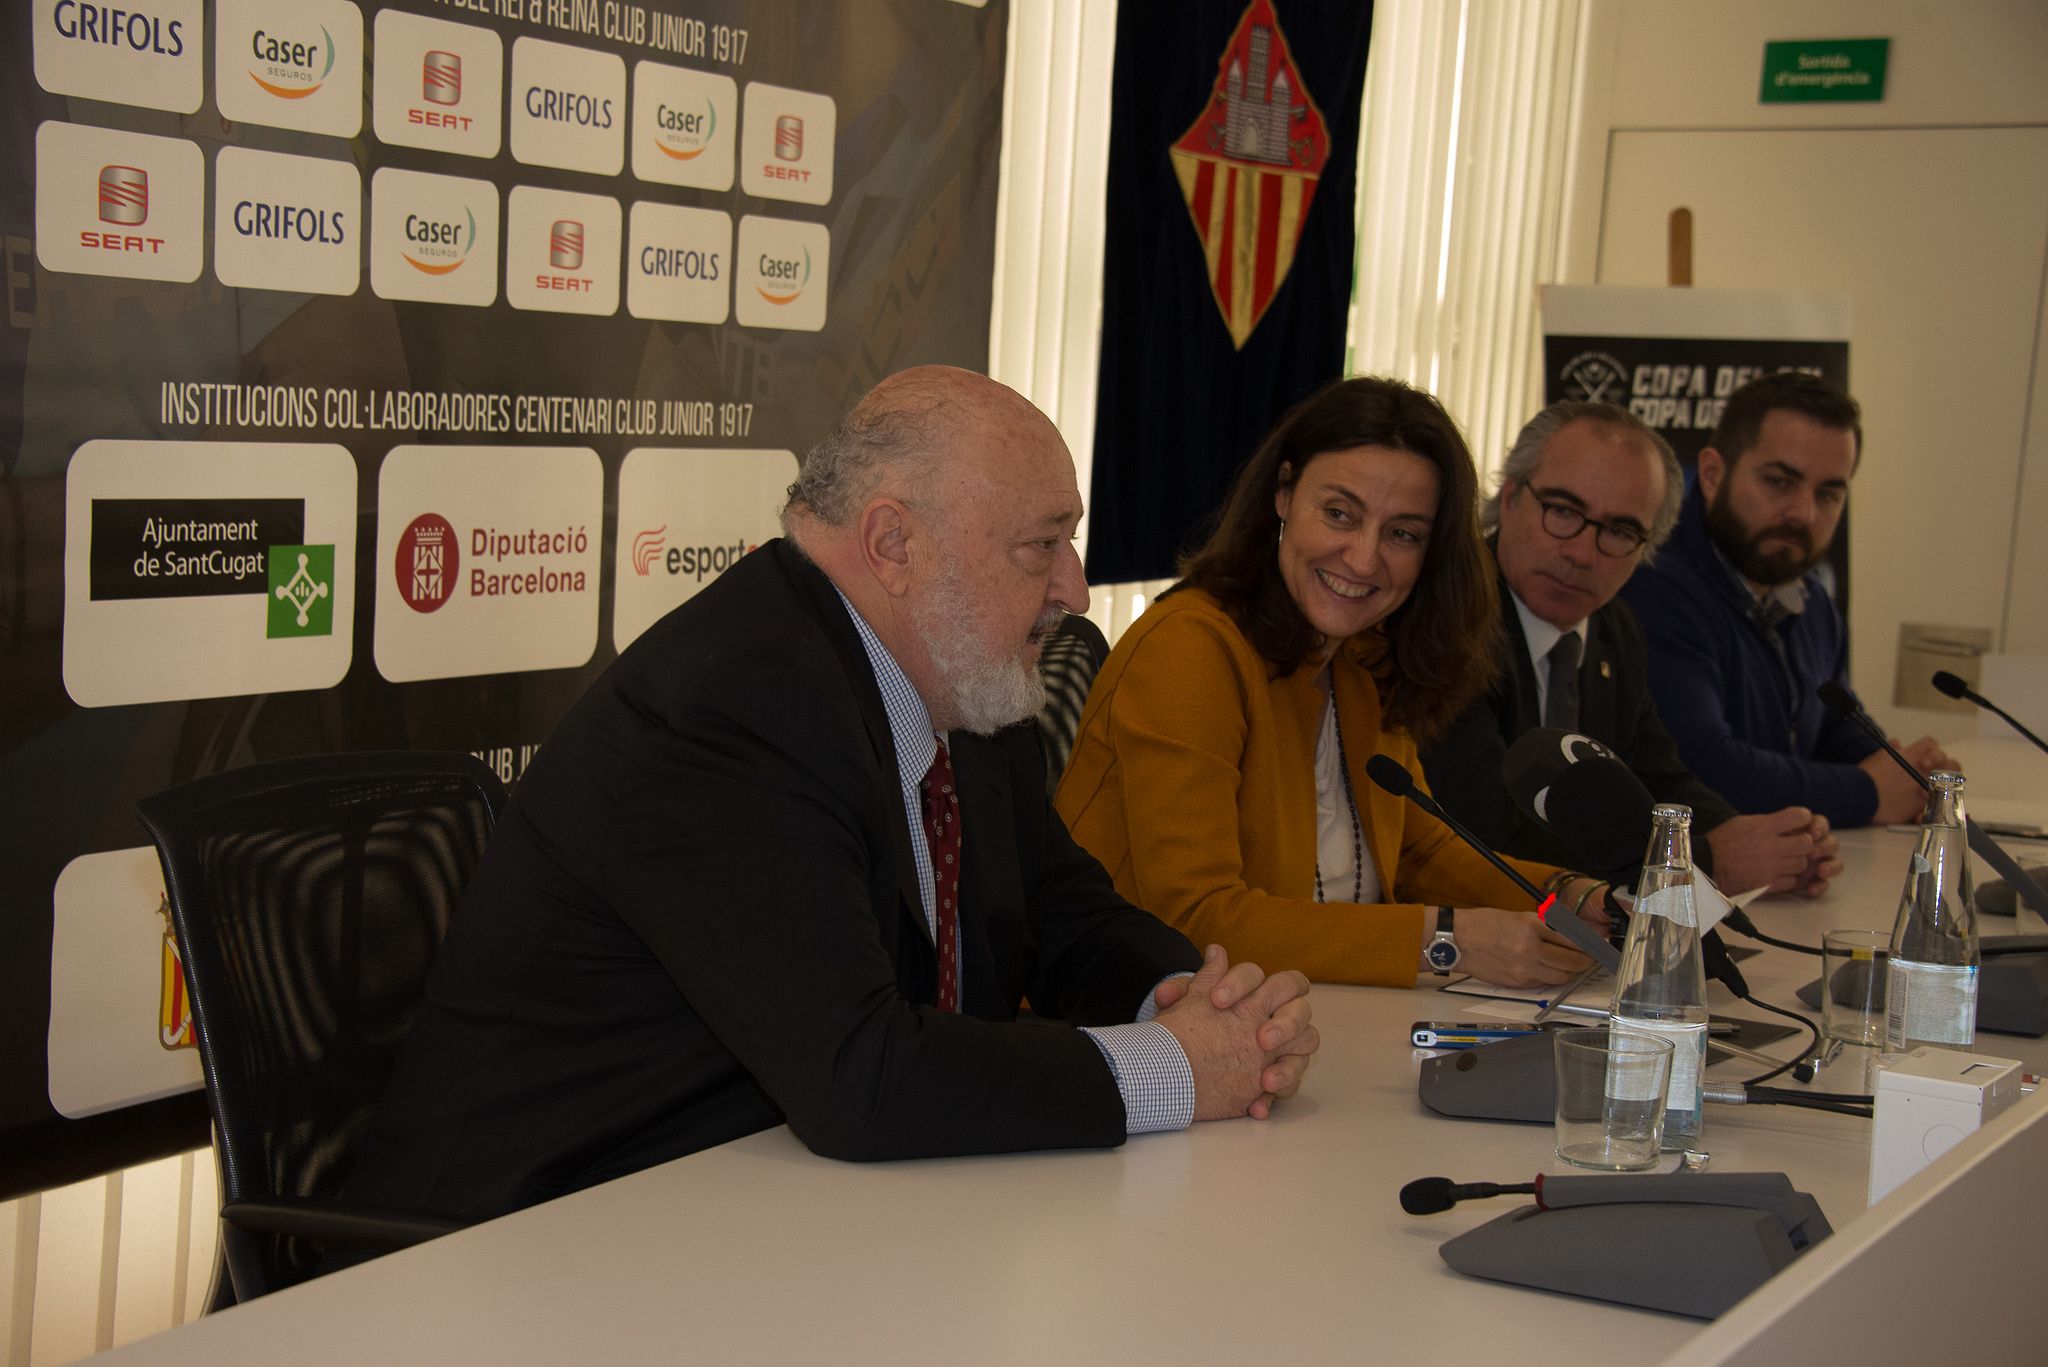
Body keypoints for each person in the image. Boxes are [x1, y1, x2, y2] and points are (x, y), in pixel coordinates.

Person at [350, 367, 1319, 1221]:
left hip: (764, 1212)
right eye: (1041, 544)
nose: (1074, 584)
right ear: (894, 543)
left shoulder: (957, 675)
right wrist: (1176, 1071)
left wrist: (1192, 999)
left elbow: (1058, 911)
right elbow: (861, 1072)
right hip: (530, 1241)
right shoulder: (731, 709)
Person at [1055, 376, 1606, 991]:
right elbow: (1197, 918)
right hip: (1127, 1032)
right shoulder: (1188, 649)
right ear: (1284, 494)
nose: (1364, 558)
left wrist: (1569, 896)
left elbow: (1418, 853)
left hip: (1305, 1018)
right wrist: (1452, 942)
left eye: (1402, 534)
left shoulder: (1363, 658)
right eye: (1340, 513)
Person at [1421, 401, 1843, 897]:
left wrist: (1770, 845)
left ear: (1647, 548)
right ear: (1510, 496)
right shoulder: (1447, 612)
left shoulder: (1613, 628)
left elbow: (1658, 779)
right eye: (1562, 511)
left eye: (1620, 531)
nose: (1581, 554)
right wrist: (1706, 860)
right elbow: (1488, 829)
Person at [1619, 372, 1954, 828]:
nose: (1805, 514)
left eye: (1829, 493)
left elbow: (1830, 729)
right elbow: (1700, 767)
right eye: (1780, 482)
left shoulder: (1812, 602)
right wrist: (1869, 792)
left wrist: (1906, 772)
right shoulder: (1653, 587)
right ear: (1714, 474)